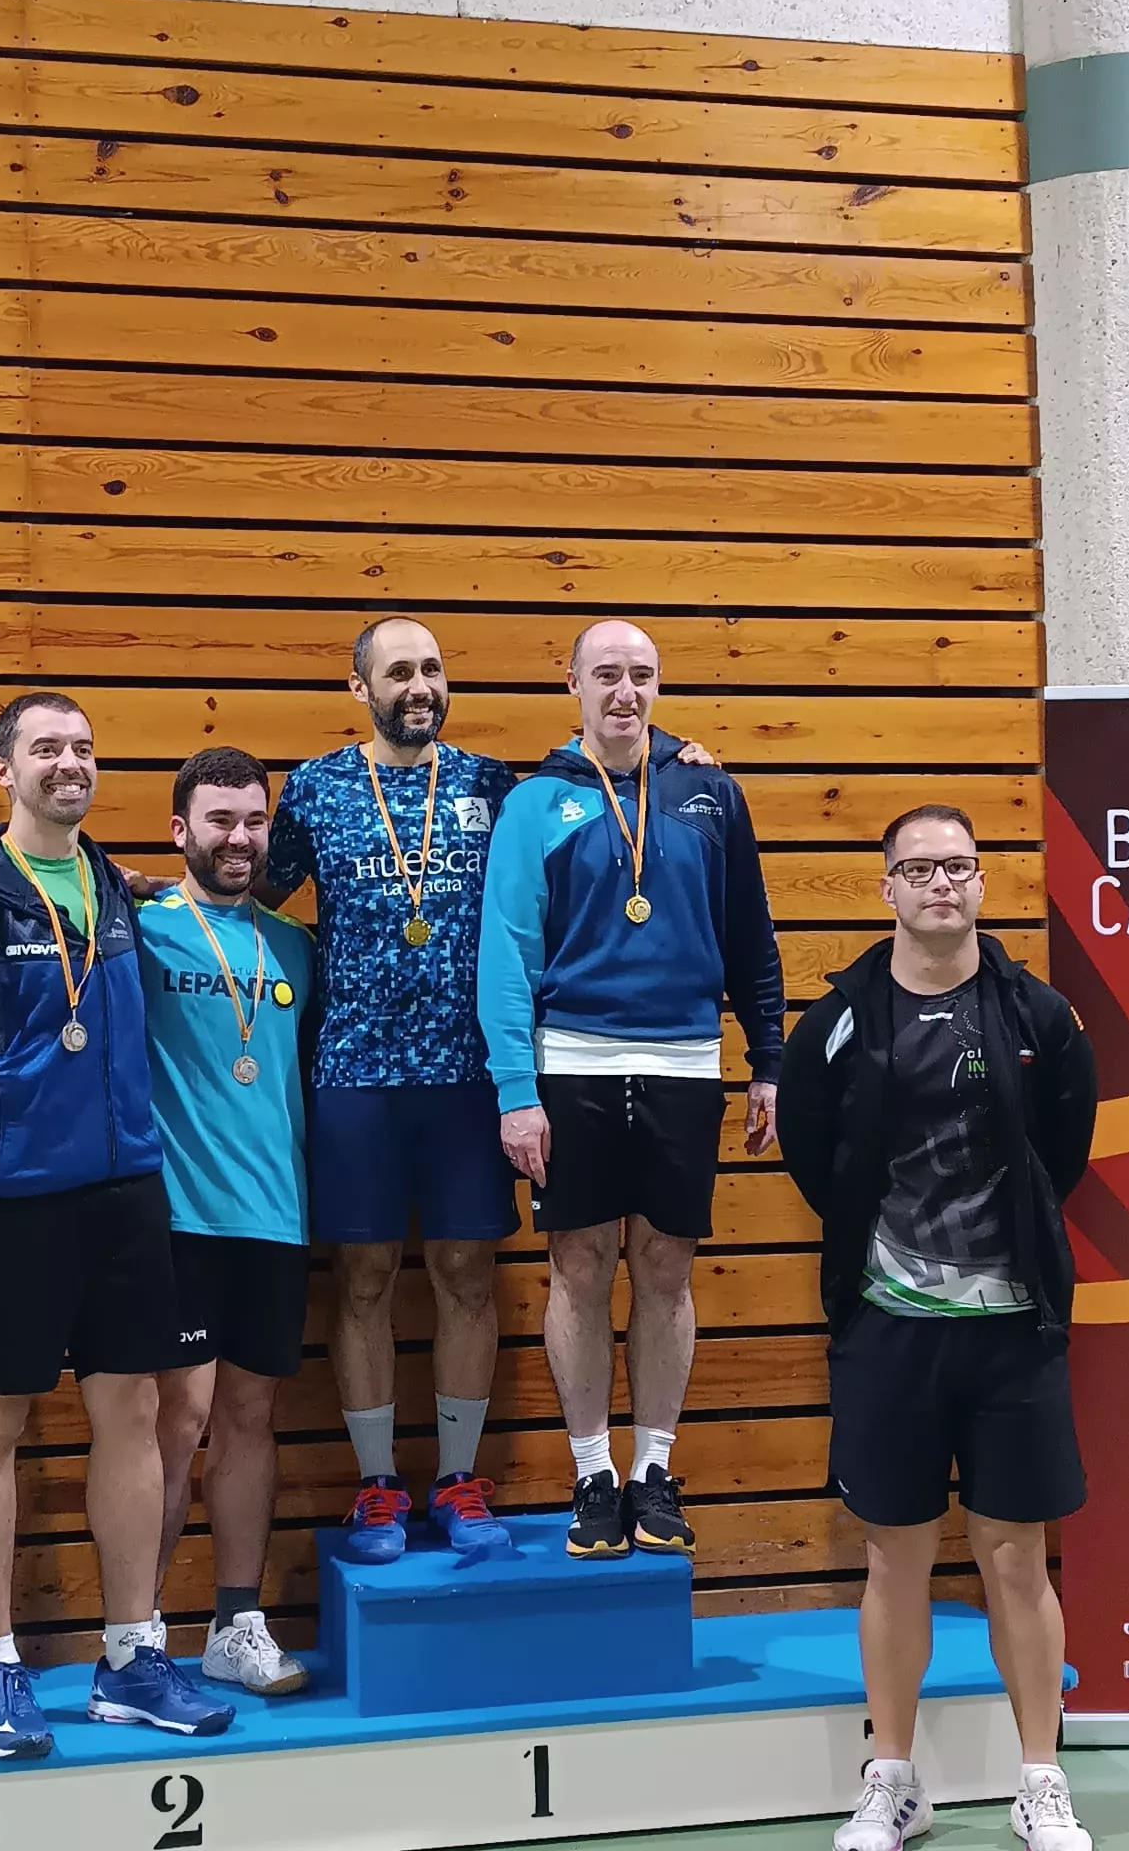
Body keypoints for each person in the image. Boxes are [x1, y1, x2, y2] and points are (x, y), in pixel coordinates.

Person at [0, 691, 234, 1760]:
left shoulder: (114, 889)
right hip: (7, 1204)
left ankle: (131, 1657)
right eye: (47, 748)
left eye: (82, 747)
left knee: (131, 1409)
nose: (68, 762)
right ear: (4, 771)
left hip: (126, 1192)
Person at [775, 804, 1097, 1851]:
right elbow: (818, 1157)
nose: (940, 884)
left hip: (1013, 1331)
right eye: (918, 868)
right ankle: (893, 1777)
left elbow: (1065, 1150)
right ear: (888, 888)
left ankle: (1040, 1778)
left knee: (1017, 1557)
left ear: (980, 880)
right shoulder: (838, 1019)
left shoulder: (1038, 1014)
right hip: (890, 1330)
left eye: (957, 865)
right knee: (896, 1556)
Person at [478, 620, 783, 1560]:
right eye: (606, 674)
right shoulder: (537, 802)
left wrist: (768, 1058)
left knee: (666, 1270)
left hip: (686, 1062)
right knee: (579, 1269)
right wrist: (513, 1089)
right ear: (571, 683)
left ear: (659, 686)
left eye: (641, 676)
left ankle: (653, 1468)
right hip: (571, 1062)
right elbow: (506, 953)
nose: (625, 692)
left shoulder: (710, 793)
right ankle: (592, 1474)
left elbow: (750, 935)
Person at [256, 617, 523, 1563]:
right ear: (360, 688)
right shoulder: (318, 788)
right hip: (352, 1073)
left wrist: (670, 749)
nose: (420, 685)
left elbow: (605, 786)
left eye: (433, 668)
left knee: (466, 1276)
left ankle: (456, 1479)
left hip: (468, 1075)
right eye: (399, 670)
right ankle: (376, 1487)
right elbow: (242, 891)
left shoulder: (497, 788)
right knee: (362, 1279)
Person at [141, 747, 315, 1694]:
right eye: (220, 821)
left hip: (277, 1219)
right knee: (181, 1418)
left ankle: (235, 1621)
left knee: (251, 1416)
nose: (239, 838)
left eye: (253, 821)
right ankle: (142, 1633)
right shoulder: (143, 930)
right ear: (182, 832)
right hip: (179, 1217)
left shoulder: (294, 948)